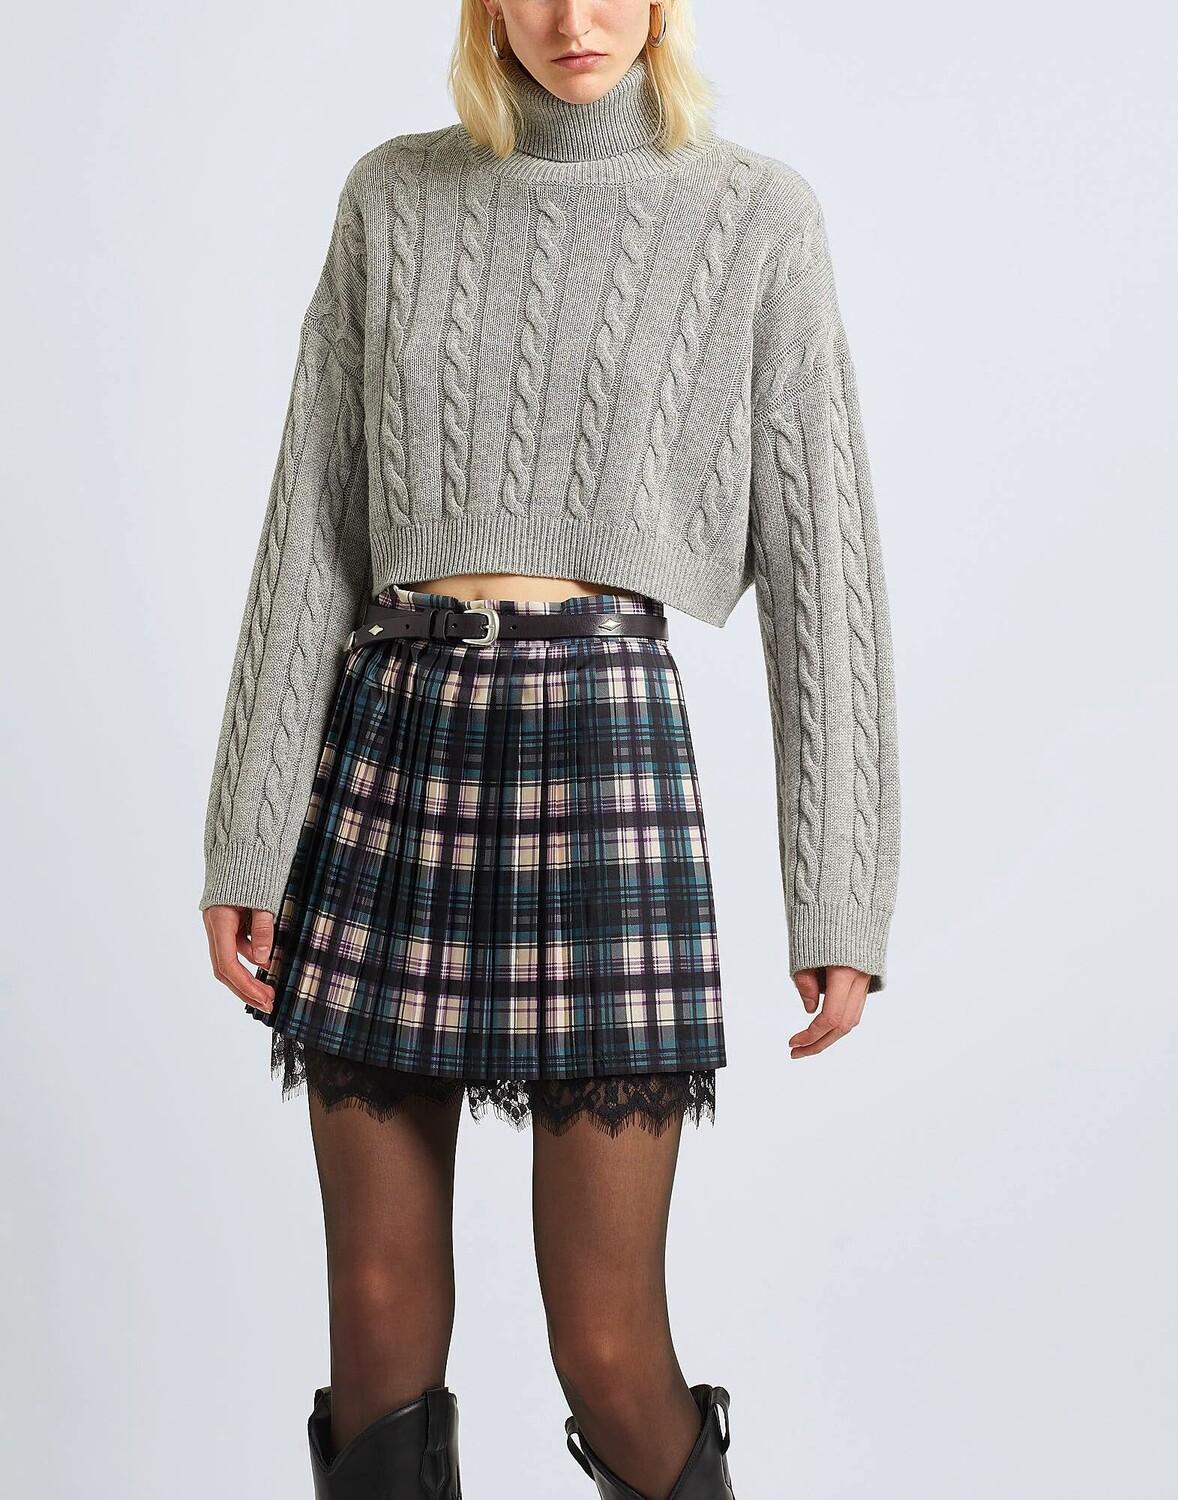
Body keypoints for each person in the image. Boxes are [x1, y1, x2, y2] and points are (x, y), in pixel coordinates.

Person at [198, 2, 901, 1495]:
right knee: (375, 1321)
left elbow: (823, 566)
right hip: (392, 742)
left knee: (606, 1340)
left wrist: (840, 892)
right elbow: (310, 523)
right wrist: (247, 831)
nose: (572, 20)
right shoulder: (394, 195)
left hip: (601, 760)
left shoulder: (754, 215)